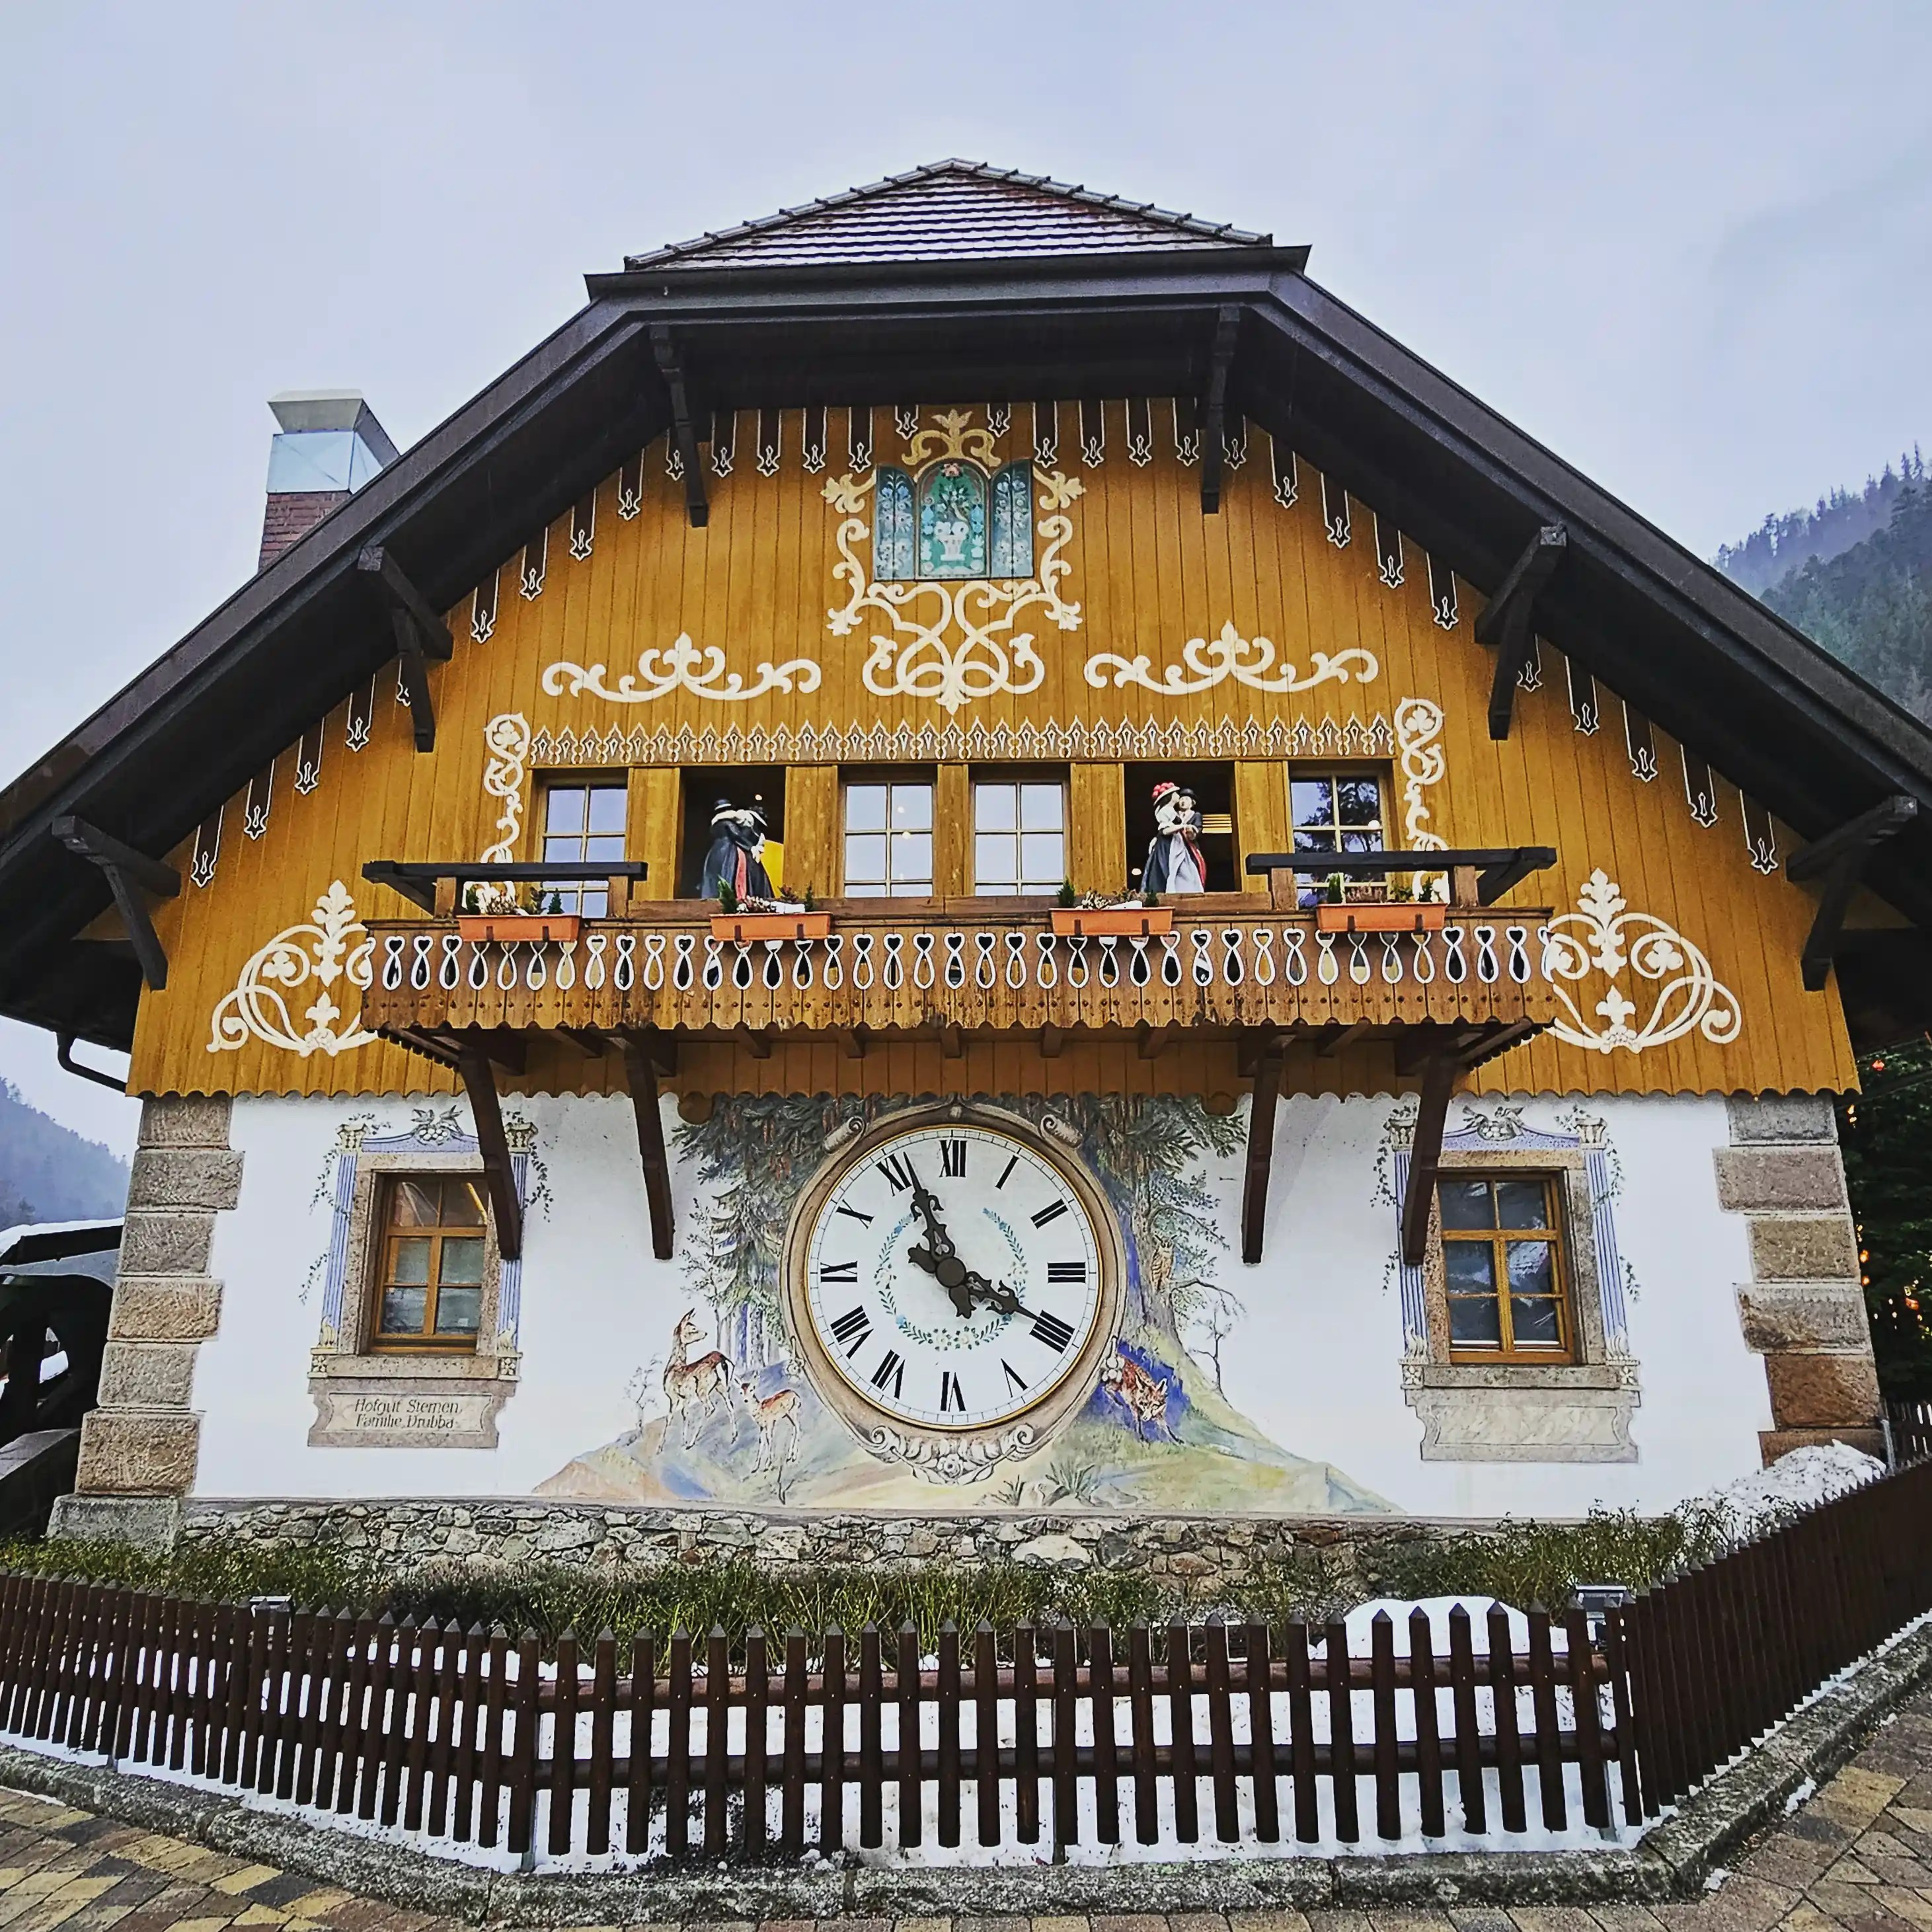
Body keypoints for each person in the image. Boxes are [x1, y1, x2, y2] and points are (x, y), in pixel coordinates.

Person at [697, 796, 774, 902]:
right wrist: (751, 847)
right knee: (729, 873)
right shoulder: (728, 823)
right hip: (729, 850)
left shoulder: (715, 826)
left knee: (715, 875)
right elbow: (736, 835)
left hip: (716, 852)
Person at [1141, 779, 1206, 895]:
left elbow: (1198, 830)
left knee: (1188, 870)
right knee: (1171, 868)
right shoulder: (1170, 813)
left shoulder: (1195, 815)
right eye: (1182, 799)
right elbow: (1165, 828)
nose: (1183, 801)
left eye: (1186, 799)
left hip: (1187, 846)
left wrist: (1192, 833)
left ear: (1192, 803)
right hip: (1173, 845)